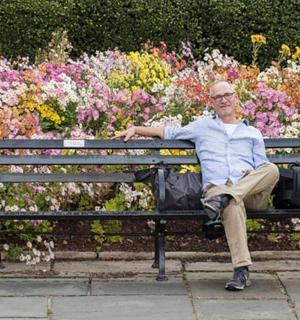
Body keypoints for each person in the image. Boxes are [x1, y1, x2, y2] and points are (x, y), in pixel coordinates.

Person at [114, 80, 279, 291]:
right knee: (232, 204)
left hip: (250, 190)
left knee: (272, 169)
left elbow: (263, 166)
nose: (223, 100)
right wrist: (136, 128)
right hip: (216, 188)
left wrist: (251, 174)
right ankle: (241, 270)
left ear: (235, 97)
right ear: (211, 102)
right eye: (218, 97)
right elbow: (168, 133)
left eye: (227, 94)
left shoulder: (253, 133)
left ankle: (225, 198)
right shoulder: (202, 127)